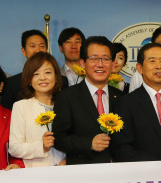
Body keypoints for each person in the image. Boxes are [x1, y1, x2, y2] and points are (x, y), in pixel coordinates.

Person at [53, 36, 123, 165]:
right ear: (83, 63)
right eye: (94, 58)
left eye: (105, 59)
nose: (100, 64)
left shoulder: (122, 97)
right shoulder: (67, 97)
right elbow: (59, 139)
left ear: (113, 64)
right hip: (83, 175)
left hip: (120, 175)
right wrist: (88, 143)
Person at [112, 43, 161, 162]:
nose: (159, 66)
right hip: (143, 176)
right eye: (152, 61)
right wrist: (157, 163)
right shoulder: (125, 103)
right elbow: (121, 148)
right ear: (139, 68)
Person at [9, 52, 66, 167]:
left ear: (56, 77)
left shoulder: (66, 105)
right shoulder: (21, 107)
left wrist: (65, 161)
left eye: (48, 72)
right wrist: (41, 146)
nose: (42, 78)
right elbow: (14, 148)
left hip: (65, 173)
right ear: (29, 79)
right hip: (34, 176)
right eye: (36, 74)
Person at [1, 30, 68, 109]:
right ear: (23, 51)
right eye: (32, 46)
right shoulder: (11, 83)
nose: (37, 50)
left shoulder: (62, 81)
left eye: (42, 46)